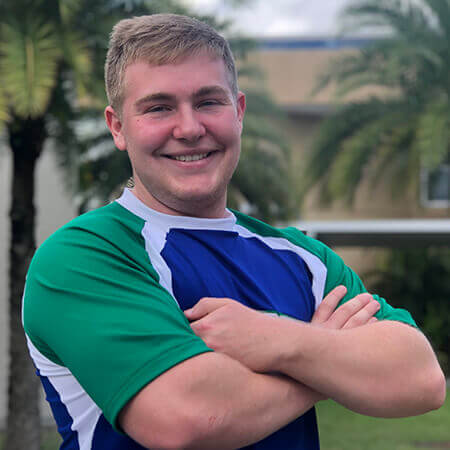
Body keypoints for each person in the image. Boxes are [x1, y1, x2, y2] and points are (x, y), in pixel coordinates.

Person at [23, 13, 446, 450]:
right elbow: (187, 419)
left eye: (208, 102)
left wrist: (278, 341)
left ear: (239, 111)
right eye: (158, 108)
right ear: (117, 127)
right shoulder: (85, 255)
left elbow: (421, 379)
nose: (189, 129)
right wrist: (326, 359)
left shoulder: (304, 258)